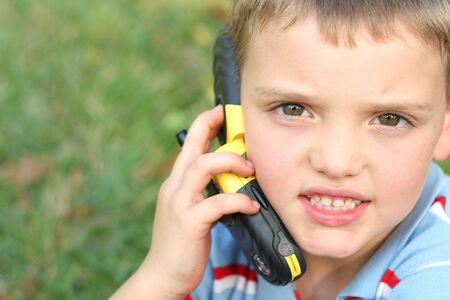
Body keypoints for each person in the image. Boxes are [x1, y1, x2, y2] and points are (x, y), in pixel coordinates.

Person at [111, 0, 450, 299]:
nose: (336, 162)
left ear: (444, 128)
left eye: (390, 119)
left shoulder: (438, 272)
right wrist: (162, 278)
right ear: (234, 116)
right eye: (293, 109)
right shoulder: (212, 238)